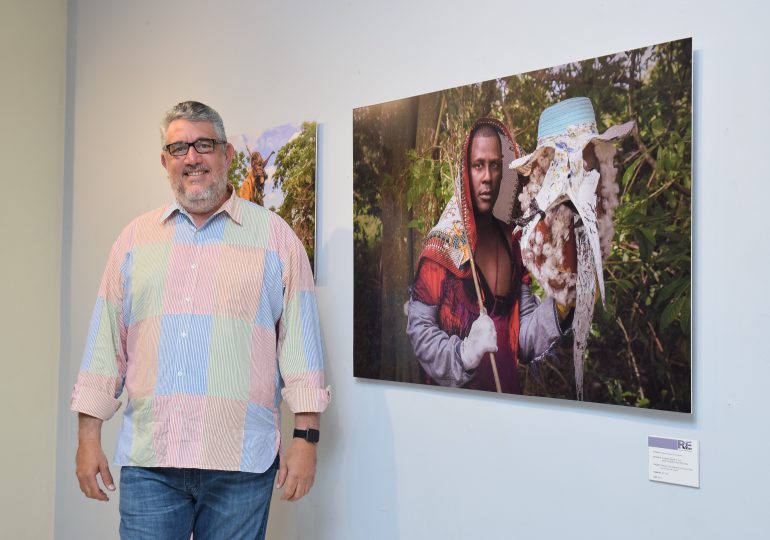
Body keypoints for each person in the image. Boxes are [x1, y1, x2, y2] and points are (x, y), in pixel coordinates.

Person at [70, 101, 330, 539]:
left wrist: (306, 440)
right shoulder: (133, 241)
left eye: (203, 145)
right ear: (165, 162)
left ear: (227, 155)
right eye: (178, 148)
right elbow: (105, 347)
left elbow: (301, 352)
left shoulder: (277, 240)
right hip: (151, 462)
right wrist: (88, 437)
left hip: (241, 465)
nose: (191, 158)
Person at [406, 117, 571, 394]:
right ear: (465, 171)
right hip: (453, 409)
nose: (487, 177)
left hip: (507, 399)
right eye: (478, 165)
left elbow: (522, 341)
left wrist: (561, 306)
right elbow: (419, 330)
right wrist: (465, 353)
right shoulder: (442, 247)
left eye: (495, 165)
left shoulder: (513, 243)